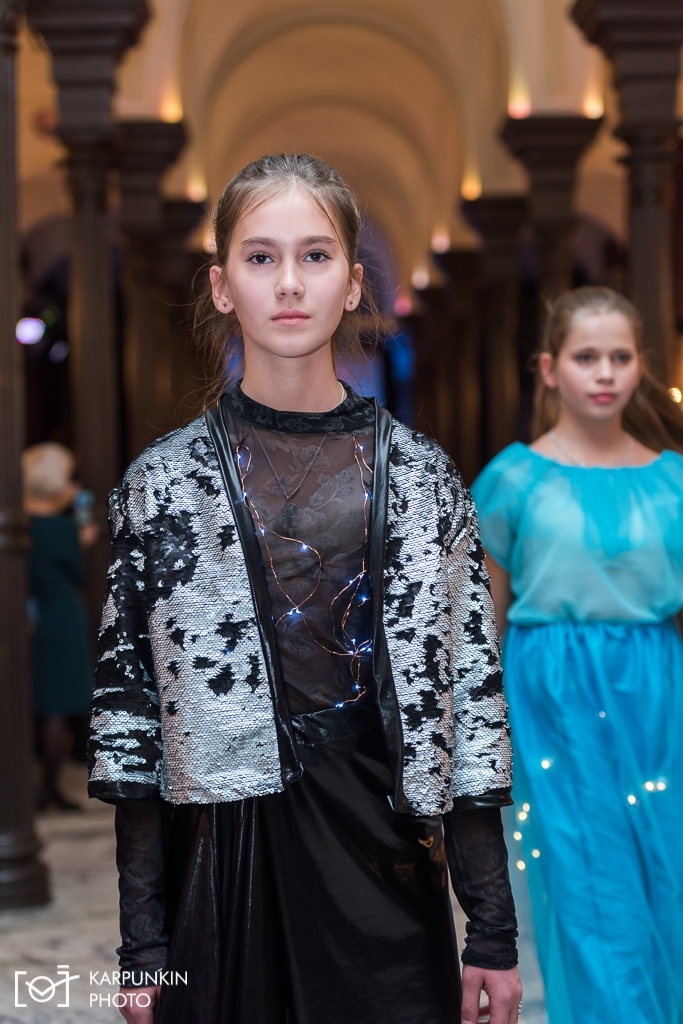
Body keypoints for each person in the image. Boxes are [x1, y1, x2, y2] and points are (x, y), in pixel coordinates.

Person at [88, 153, 522, 1024]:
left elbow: (470, 709)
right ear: (221, 287)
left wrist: (492, 933)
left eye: (315, 256)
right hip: (223, 873)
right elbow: (130, 728)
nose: (289, 282)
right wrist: (142, 949)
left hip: (386, 866)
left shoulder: (424, 481)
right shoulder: (163, 486)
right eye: (260, 257)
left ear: (353, 283)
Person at [471, 287, 683, 1024]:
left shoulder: (674, 482)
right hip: (554, 695)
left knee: (665, 875)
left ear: (640, 366)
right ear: (549, 368)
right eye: (586, 356)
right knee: (590, 884)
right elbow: (484, 619)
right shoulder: (512, 479)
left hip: (656, 693)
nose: (604, 373)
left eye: (619, 357)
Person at [23, 442, 97, 811]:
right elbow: (79, 574)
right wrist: (83, 529)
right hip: (62, 617)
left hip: (31, 617)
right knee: (58, 705)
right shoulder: (63, 529)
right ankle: (49, 788)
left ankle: (41, 785)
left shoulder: (19, 522)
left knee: (39, 700)